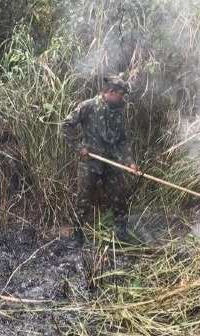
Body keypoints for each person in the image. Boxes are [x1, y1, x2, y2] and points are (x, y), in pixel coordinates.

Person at [62, 74, 139, 245]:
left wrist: (130, 161)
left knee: (119, 196)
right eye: (121, 94)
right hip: (90, 162)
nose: (123, 98)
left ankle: (121, 234)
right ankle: (77, 236)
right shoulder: (88, 106)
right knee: (83, 199)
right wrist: (78, 147)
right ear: (111, 92)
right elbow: (67, 125)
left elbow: (123, 140)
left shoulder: (118, 111)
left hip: (111, 162)